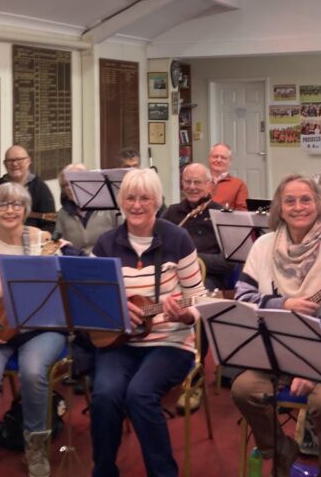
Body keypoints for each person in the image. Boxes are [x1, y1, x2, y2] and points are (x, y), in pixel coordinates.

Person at [231, 175, 321, 477]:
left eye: (306, 199)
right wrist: (282, 304)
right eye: (290, 201)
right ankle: (280, 449)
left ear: (317, 204)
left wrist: (314, 369)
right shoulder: (263, 246)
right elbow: (242, 297)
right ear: (279, 209)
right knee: (243, 389)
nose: (299, 207)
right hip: (279, 352)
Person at [89, 168, 204, 477]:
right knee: (104, 394)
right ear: (120, 201)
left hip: (170, 341)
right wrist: (117, 308)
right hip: (119, 341)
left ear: (158, 202)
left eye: (145, 198)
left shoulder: (177, 239)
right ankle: (103, 470)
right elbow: (90, 301)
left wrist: (184, 313)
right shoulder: (105, 245)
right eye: (130, 198)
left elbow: (198, 300)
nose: (137, 205)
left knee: (140, 394)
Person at [0, 181, 69, 477]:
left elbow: (69, 281)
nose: (10, 210)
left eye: (17, 204)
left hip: (41, 328)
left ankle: (35, 444)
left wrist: (64, 255)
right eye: (3, 205)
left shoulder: (43, 239)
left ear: (26, 209)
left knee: (33, 372)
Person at [164, 162, 231, 291]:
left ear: (210, 185)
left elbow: (229, 263)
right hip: (172, 275)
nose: (192, 187)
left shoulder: (222, 215)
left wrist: (192, 259)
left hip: (207, 277)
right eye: (187, 182)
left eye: (197, 182)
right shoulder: (172, 212)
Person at [0, 145, 56, 232]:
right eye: (10, 161)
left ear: (28, 161)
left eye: (19, 160)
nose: (14, 164)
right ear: (4, 164)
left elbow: (50, 223)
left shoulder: (40, 188)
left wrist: (35, 239)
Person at [54, 163, 120, 254]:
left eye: (74, 182)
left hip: (107, 259)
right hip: (78, 263)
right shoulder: (63, 214)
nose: (69, 188)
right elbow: (58, 243)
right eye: (66, 184)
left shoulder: (109, 209)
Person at [208, 143, 249, 210]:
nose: (218, 160)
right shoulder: (199, 181)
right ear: (209, 158)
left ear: (230, 161)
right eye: (215, 156)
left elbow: (242, 211)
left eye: (223, 158)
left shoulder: (239, 184)